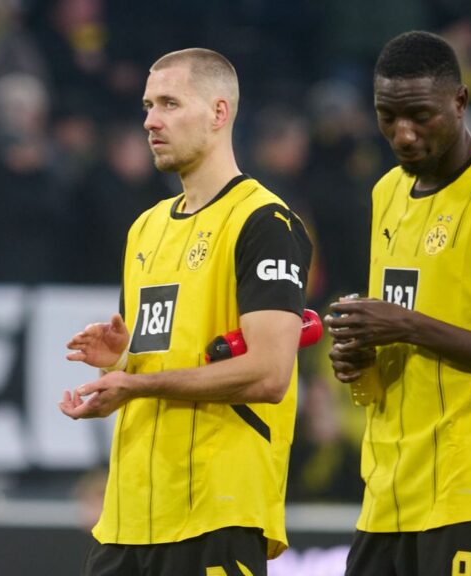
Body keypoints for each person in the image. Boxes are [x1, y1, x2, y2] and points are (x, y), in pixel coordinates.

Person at [60, 48, 312, 575]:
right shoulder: (146, 227)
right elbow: (153, 362)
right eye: (149, 105)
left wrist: (138, 385)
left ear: (219, 113)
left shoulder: (265, 223)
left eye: (170, 103)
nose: (151, 120)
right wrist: (121, 363)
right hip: (130, 518)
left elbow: (270, 374)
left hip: (216, 515)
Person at [327, 31, 471, 575]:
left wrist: (408, 325)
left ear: (460, 102)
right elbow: (400, 323)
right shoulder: (386, 191)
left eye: (421, 116)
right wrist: (361, 350)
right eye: (387, 116)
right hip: (388, 494)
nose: (403, 135)